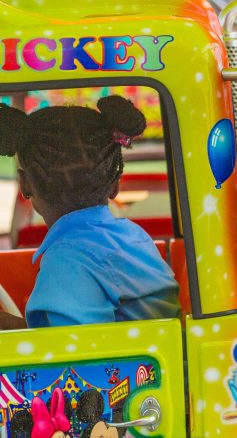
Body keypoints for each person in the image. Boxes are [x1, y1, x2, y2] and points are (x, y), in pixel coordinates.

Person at [0, 96, 180, 330]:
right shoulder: (133, 236)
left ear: (25, 185)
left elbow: (70, 347)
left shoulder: (68, 259)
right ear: (115, 185)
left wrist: (14, 329)